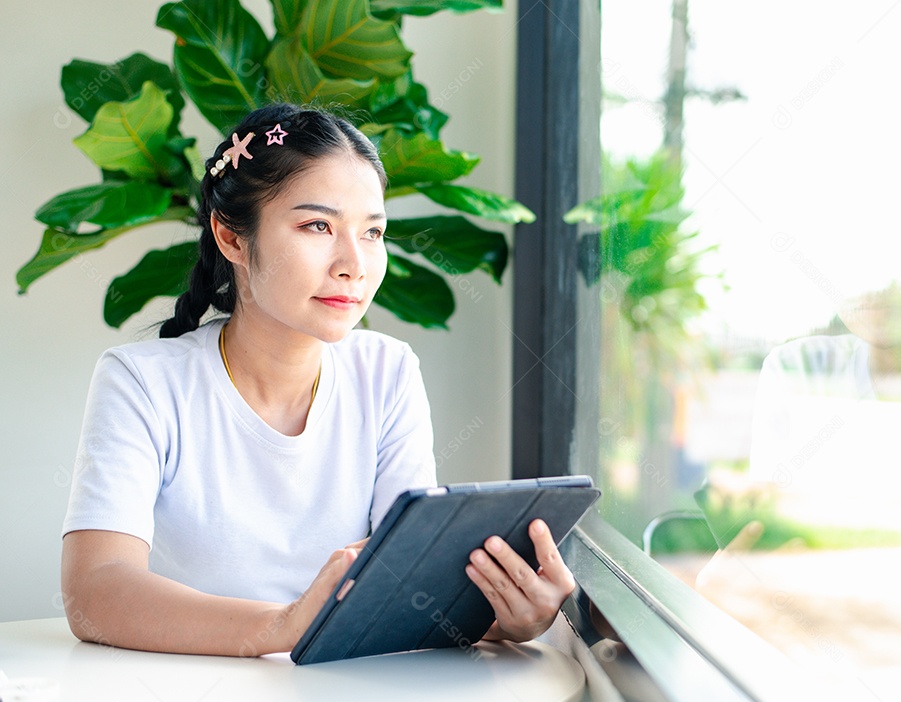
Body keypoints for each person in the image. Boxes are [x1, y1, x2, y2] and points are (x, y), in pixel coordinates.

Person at [60, 104, 575, 657]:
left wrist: (507, 614)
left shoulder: (387, 371)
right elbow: (97, 593)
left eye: (372, 231)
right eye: (318, 226)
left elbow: (409, 585)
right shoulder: (142, 382)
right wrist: (281, 626)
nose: (354, 263)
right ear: (232, 238)